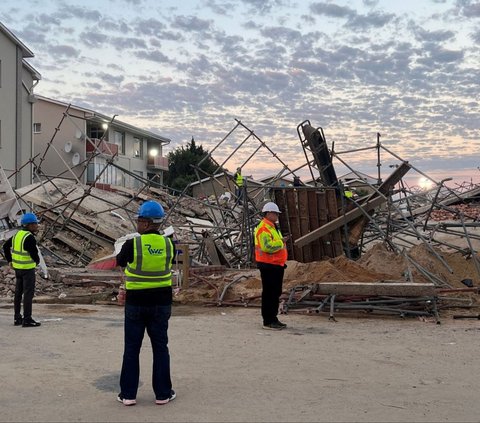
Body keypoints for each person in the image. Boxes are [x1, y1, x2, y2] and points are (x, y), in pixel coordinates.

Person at [116, 200, 176, 406]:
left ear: (147, 222)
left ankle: (128, 395)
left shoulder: (133, 244)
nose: (137, 224)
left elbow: (121, 261)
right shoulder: (169, 244)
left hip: (136, 303)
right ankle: (163, 394)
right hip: (161, 303)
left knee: (132, 348)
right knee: (160, 347)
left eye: (139, 220)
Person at [254, 202, 289, 330]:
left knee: (275, 293)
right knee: (270, 293)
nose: (277, 216)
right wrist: (281, 242)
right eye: (275, 213)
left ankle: (273, 318)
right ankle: (268, 321)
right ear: (268, 213)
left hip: (275, 265)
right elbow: (267, 246)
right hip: (268, 265)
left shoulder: (272, 227)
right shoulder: (264, 228)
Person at [2, 212, 41, 327]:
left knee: (18, 294)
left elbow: (5, 246)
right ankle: (27, 319)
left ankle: (17, 318)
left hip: (18, 269)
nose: (37, 226)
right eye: (35, 224)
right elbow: (34, 253)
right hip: (28, 270)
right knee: (28, 294)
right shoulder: (29, 238)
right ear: (29, 225)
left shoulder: (18, 235)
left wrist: (10, 260)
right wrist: (37, 261)